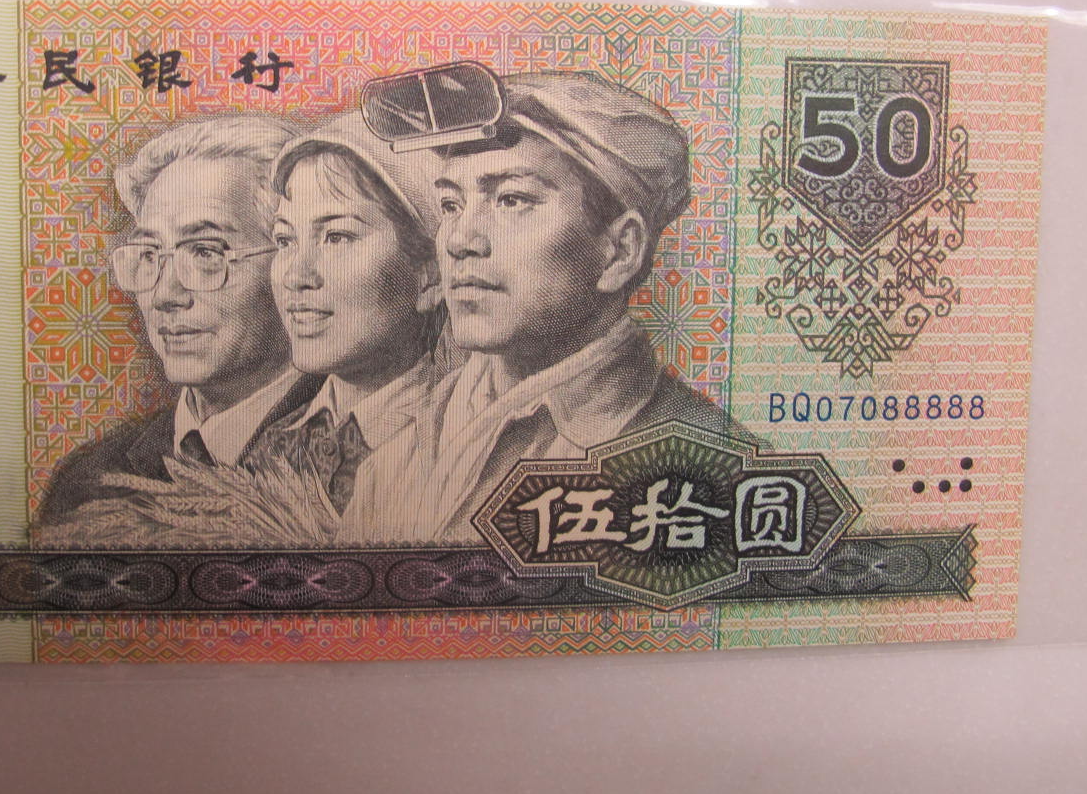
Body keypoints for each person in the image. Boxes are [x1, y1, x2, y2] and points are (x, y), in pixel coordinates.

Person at [342, 70, 742, 545]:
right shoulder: (404, 442)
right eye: (451, 205)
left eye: (511, 199)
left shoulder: (709, 464)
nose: (459, 240)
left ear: (619, 251)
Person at [36, 115, 321, 528]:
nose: (165, 295)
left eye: (206, 253)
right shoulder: (90, 480)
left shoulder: (359, 458)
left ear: (290, 263)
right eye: (149, 255)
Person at [248, 113, 446, 515]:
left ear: (429, 277)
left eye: (336, 236)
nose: (296, 277)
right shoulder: (271, 445)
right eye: (285, 240)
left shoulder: (458, 443)